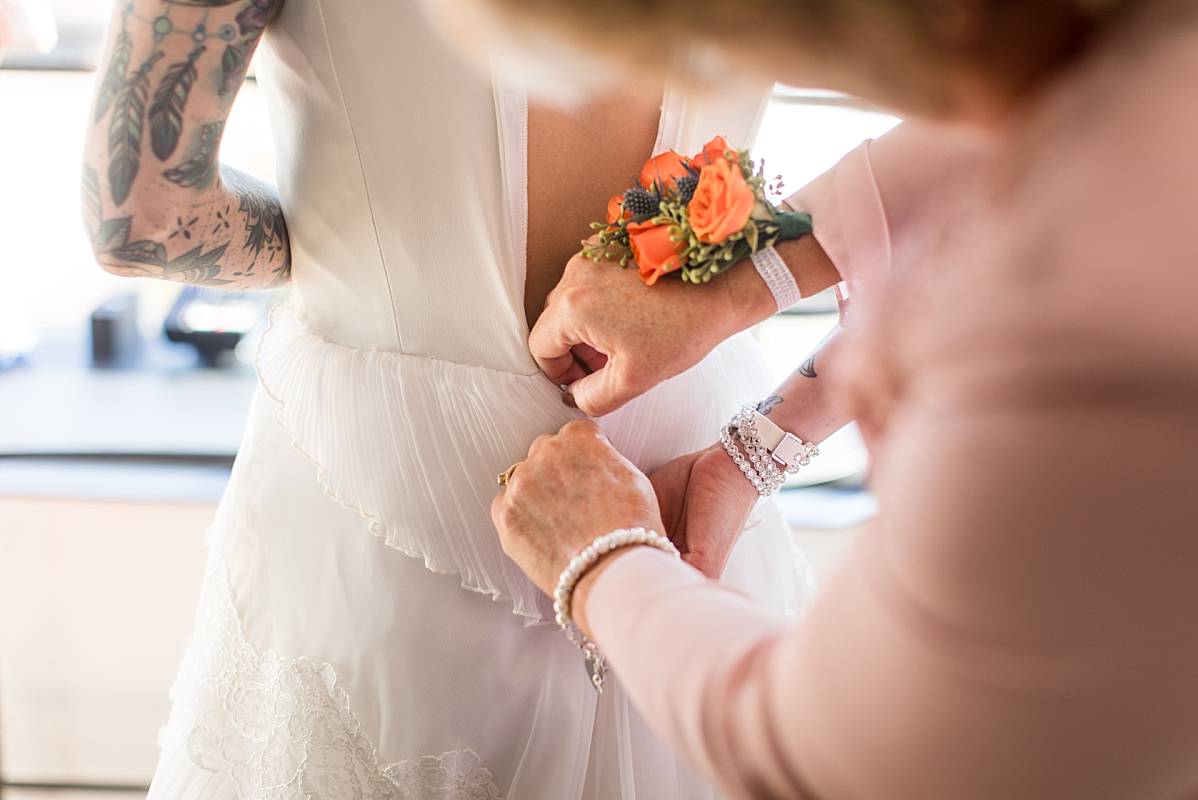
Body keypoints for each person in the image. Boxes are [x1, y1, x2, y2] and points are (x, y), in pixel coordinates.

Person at [80, 1, 828, 797]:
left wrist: (354, 249)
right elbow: (956, 167)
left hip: (389, 504)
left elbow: (142, 216)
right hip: (696, 496)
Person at [487, 0, 1198, 797]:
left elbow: (824, 760)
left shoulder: (1087, 364)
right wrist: (743, 322)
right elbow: (1028, 120)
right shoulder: (1144, 59)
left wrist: (603, 559)